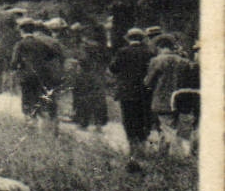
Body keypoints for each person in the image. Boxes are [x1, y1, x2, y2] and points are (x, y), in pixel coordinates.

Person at [145, 35, 195, 155]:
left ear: (160, 47)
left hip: (162, 99)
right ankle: (171, 153)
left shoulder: (156, 61)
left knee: (167, 128)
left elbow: (148, 82)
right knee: (177, 129)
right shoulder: (184, 62)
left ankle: (171, 155)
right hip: (181, 100)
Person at [109, 28, 154, 156]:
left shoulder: (122, 52)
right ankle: (142, 144)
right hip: (144, 92)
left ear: (128, 38)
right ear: (142, 38)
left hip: (126, 91)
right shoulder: (149, 53)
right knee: (143, 118)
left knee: (128, 118)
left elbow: (113, 68)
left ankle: (132, 146)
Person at [12, 19, 66, 121]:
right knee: (37, 95)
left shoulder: (20, 44)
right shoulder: (40, 43)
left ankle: (29, 118)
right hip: (40, 74)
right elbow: (51, 55)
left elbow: (14, 62)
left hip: (26, 75)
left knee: (26, 96)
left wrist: (17, 68)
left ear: (22, 31)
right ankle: (39, 115)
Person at [67, 22, 111, 130]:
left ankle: (83, 122)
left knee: (84, 98)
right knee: (99, 99)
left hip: (85, 74)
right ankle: (98, 123)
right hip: (99, 75)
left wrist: (77, 61)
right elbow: (107, 60)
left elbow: (83, 59)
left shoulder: (85, 45)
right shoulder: (103, 46)